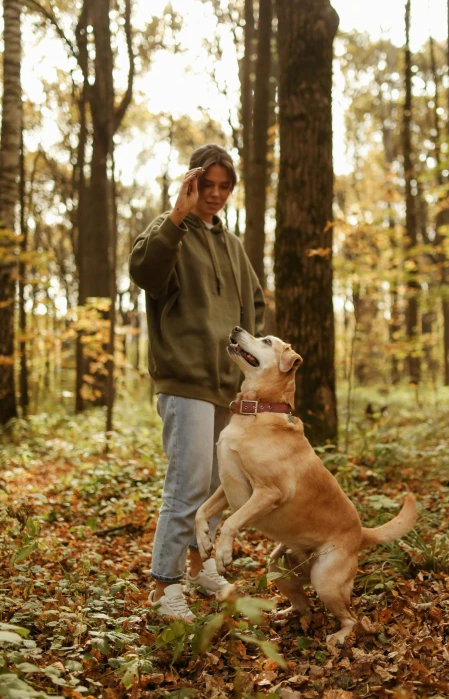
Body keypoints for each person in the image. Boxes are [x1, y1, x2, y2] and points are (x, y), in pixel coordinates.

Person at [129, 144, 265, 621]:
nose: (214, 194)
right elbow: (144, 272)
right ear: (190, 183)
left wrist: (249, 374)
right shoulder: (167, 233)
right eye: (206, 185)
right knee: (186, 487)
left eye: (223, 187)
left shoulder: (232, 246)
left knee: (214, 488)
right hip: (184, 381)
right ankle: (164, 586)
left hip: (226, 386)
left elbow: (254, 310)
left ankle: (201, 566)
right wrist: (175, 214)